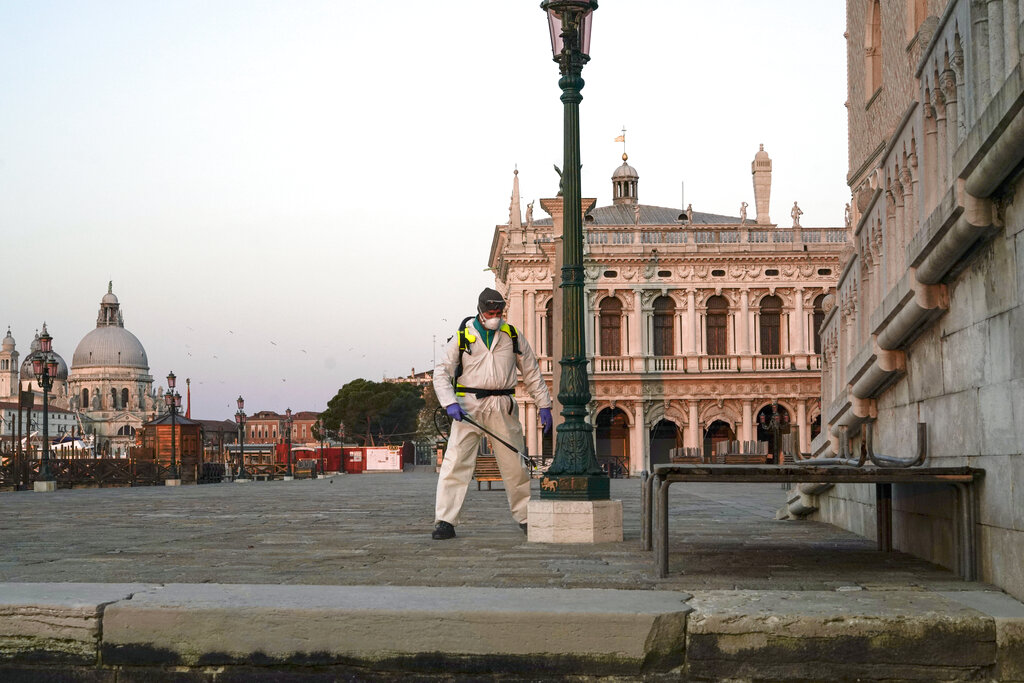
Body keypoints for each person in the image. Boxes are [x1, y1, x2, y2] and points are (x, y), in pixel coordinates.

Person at [431, 287, 553, 540]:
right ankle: (445, 520)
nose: (495, 316)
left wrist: (544, 404)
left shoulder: (512, 335)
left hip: (503, 405)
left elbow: (531, 372)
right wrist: (449, 402)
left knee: (515, 465)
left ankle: (525, 517)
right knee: (456, 463)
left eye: (499, 312)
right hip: (468, 407)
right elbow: (441, 372)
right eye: (491, 312)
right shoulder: (463, 337)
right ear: (481, 311)